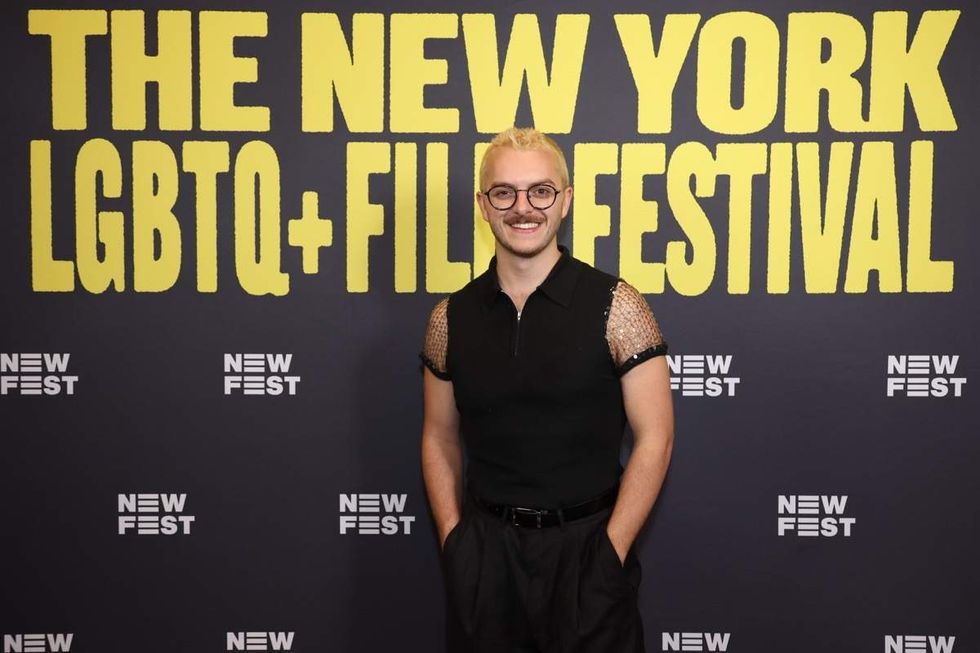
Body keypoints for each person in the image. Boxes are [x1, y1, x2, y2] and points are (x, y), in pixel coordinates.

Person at [420, 127, 674, 652]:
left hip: (588, 556)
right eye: (504, 193)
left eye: (540, 191)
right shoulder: (450, 318)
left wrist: (610, 553)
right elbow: (439, 436)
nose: (523, 208)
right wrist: (456, 543)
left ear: (565, 201)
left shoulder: (618, 306)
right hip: (486, 561)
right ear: (483, 206)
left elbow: (656, 438)